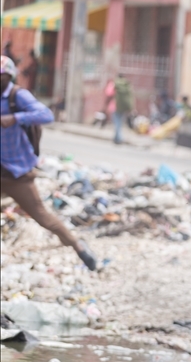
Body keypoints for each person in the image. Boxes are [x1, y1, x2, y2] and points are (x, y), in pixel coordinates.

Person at [0, 56, 97, 270]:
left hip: (17, 173)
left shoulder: (18, 96)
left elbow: (46, 115)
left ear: (9, 77)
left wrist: (15, 118)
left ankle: (78, 246)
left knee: (42, 217)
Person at [113, 73, 134, 145]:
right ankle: (116, 138)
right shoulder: (127, 84)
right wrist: (131, 107)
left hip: (117, 106)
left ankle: (119, 138)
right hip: (125, 106)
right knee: (120, 122)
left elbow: (109, 94)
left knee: (117, 122)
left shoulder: (115, 84)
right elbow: (131, 96)